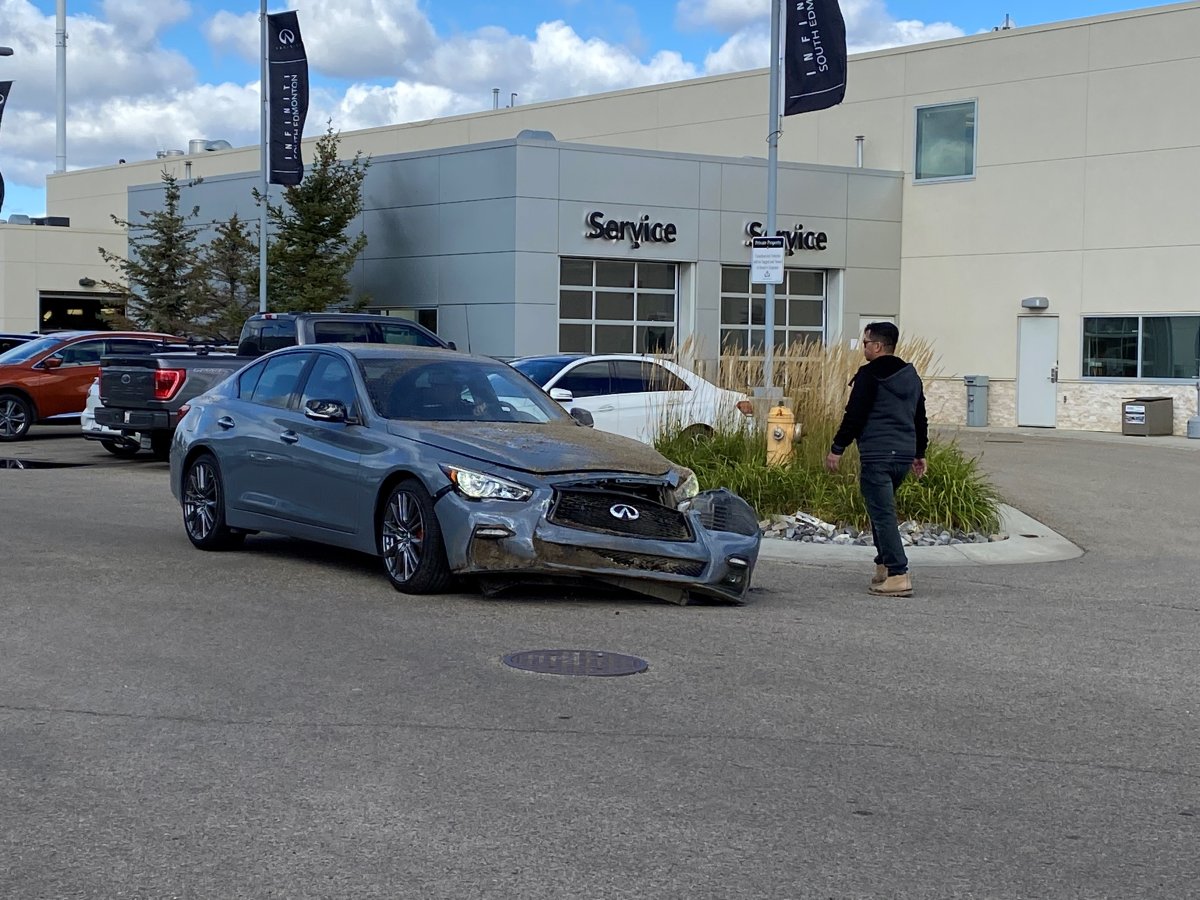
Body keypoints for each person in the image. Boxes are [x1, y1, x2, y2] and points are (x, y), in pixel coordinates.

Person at [825, 322, 928, 597]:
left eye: (866, 343)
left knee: (883, 515)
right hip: (903, 455)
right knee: (879, 511)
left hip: (878, 455)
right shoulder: (911, 376)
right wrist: (919, 453)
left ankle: (898, 573)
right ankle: (883, 566)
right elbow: (920, 417)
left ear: (878, 346)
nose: (864, 347)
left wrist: (838, 447)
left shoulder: (869, 376)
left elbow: (855, 414)